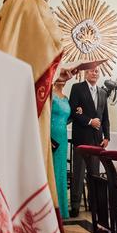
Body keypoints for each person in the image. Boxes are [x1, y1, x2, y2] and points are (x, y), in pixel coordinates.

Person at [0, 0, 65, 219]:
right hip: (23, 100)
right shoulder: (32, 2)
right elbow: (53, 45)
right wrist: (61, 67)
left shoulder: (10, 2)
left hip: (2, 92)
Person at [68, 67, 110, 218]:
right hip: (81, 138)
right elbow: (73, 111)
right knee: (78, 174)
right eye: (91, 71)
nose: (94, 73)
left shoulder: (103, 92)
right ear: (86, 73)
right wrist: (90, 121)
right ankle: (74, 205)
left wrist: (107, 137)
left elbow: (105, 117)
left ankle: (94, 205)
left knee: (94, 174)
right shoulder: (77, 88)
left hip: (97, 140)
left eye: (97, 71)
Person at [50, 69, 72, 219]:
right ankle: (50, 206)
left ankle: (61, 208)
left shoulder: (65, 98)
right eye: (61, 76)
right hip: (51, 135)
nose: (63, 80)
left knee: (61, 169)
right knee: (51, 168)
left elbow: (67, 118)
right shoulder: (50, 95)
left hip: (63, 136)